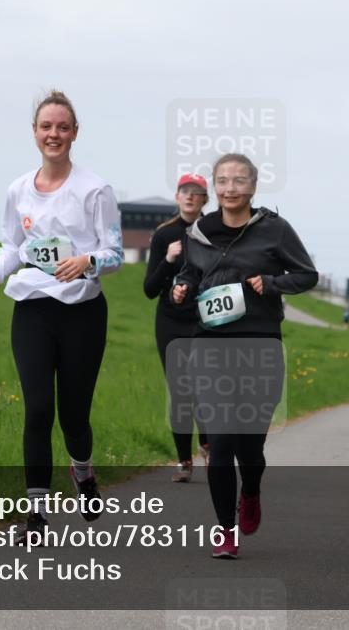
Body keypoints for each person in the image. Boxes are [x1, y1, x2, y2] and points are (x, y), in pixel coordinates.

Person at [0, 90, 123, 543]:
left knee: (74, 416)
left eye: (62, 127)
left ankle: (82, 472)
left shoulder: (94, 189)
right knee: (38, 409)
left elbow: (115, 252)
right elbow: (10, 245)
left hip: (81, 311)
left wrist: (88, 262)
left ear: (75, 133)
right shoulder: (18, 190)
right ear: (35, 132)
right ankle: (37, 516)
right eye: (46, 126)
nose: (53, 134)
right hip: (33, 309)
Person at [171, 153, 318, 559]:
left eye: (239, 181)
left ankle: (250, 491)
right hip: (209, 345)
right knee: (220, 443)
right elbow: (189, 272)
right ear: (214, 188)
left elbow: (306, 274)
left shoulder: (274, 230)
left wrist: (270, 283)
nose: (230, 188)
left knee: (250, 450)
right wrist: (180, 288)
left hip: (259, 345)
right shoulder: (198, 232)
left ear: (253, 187)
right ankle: (225, 530)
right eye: (223, 181)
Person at [143, 174, 211, 482]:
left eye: (197, 193)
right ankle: (184, 460)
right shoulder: (163, 235)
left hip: (203, 319)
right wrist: (169, 260)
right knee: (180, 390)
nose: (190, 197)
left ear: (204, 200)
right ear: (177, 196)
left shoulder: (215, 232)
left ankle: (208, 445)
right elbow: (149, 288)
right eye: (185, 191)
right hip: (169, 320)